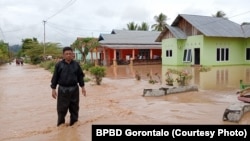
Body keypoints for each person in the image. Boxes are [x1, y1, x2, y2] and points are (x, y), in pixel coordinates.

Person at [50, 46, 86, 126]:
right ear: (63, 55)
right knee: (61, 109)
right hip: (63, 89)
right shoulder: (59, 65)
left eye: (70, 54)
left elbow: (80, 76)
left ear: (73, 55)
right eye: (66, 54)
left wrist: (83, 87)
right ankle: (60, 126)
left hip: (74, 89)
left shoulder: (76, 65)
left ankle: (74, 125)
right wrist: (53, 89)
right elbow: (55, 77)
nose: (68, 55)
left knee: (74, 108)